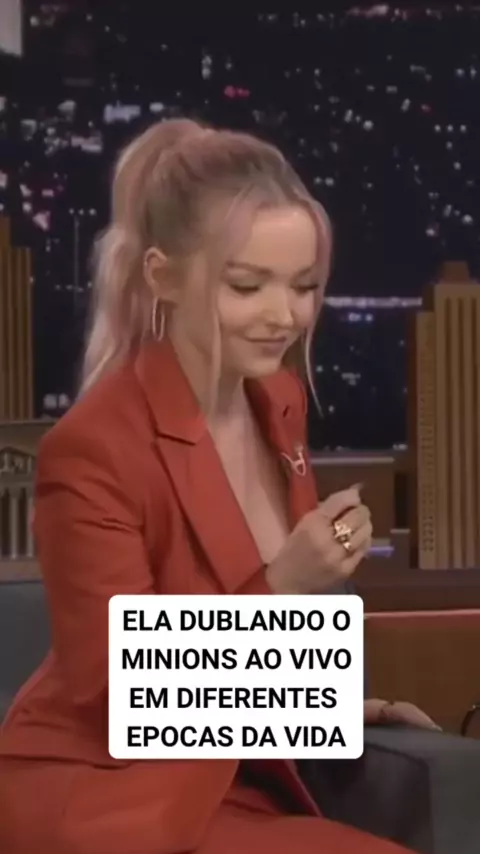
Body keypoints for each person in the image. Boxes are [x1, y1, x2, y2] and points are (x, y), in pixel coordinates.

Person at [0, 118, 436, 854]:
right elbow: (122, 689)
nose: (284, 316)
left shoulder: (279, 404)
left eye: (304, 287)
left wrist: (332, 709)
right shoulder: (94, 448)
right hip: (108, 795)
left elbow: (257, 651)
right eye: (247, 286)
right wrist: (284, 583)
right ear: (162, 276)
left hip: (234, 787)